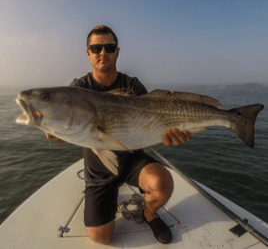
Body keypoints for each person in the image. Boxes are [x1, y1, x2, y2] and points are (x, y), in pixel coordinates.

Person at [46, 25, 191, 245]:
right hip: (98, 172)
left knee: (162, 183)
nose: (102, 52)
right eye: (95, 48)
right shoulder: (78, 88)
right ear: (88, 53)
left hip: (133, 159)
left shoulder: (132, 85)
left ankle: (149, 214)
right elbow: (64, 122)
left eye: (109, 47)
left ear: (117, 52)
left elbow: (154, 117)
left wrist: (169, 134)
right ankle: (107, 199)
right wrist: (53, 130)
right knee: (100, 238)